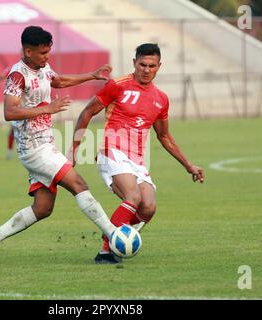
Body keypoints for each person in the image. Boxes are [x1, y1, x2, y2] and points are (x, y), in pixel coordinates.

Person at [0, 26, 115, 266]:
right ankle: (114, 235)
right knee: (79, 184)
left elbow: (58, 81)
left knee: (42, 208)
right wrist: (47, 109)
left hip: (46, 144)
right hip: (33, 148)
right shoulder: (17, 75)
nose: (47, 57)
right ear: (28, 51)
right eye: (42, 53)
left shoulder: (43, 67)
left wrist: (93, 75)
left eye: (48, 52)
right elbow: (9, 112)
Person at [68, 43, 205, 264]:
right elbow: (87, 112)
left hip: (137, 160)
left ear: (159, 66)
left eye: (152, 65)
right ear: (134, 63)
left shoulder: (161, 98)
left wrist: (188, 165)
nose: (146, 69)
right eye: (142, 64)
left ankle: (115, 234)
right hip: (112, 152)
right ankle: (106, 250)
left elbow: (164, 136)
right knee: (134, 197)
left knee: (148, 207)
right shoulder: (118, 86)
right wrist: (74, 149)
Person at [0, 66, 16, 160]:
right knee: (13, 130)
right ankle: (9, 153)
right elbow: (1, 76)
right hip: (16, 103)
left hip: (25, 104)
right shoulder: (14, 68)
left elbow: (0, 76)